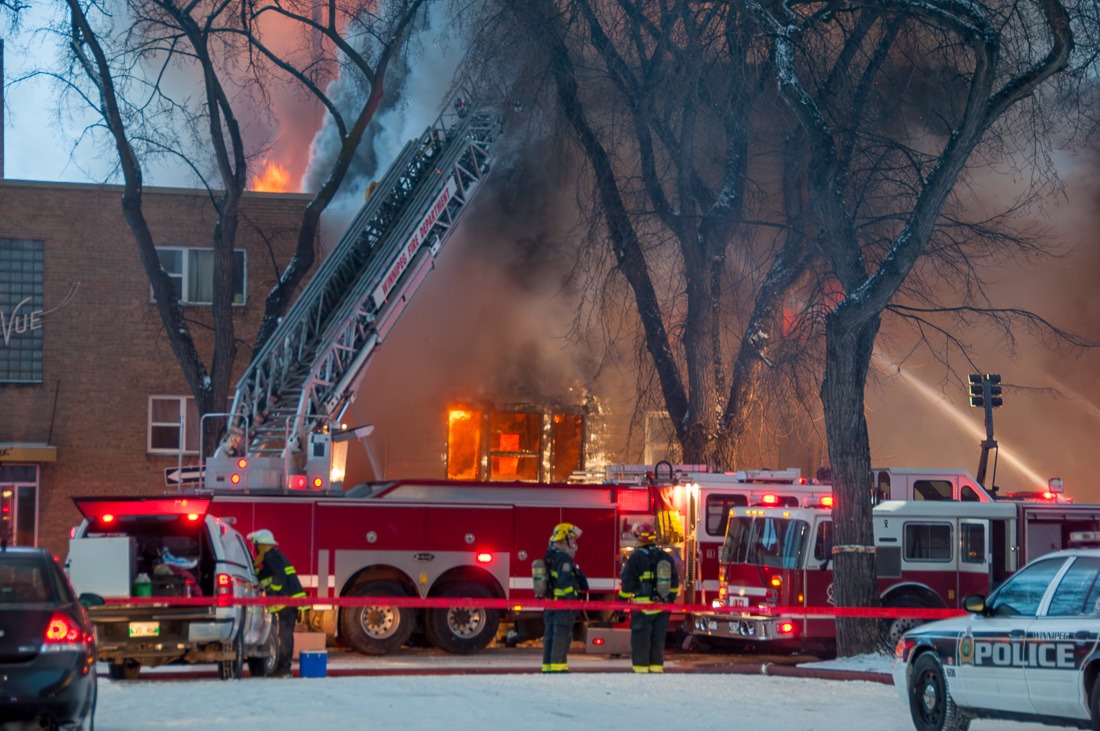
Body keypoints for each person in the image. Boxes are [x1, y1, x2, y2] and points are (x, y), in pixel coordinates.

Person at [617, 521, 680, 673]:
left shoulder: (636, 558)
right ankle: (656, 672)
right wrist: (668, 602)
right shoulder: (665, 556)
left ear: (638, 537)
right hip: (661, 609)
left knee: (641, 642)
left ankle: (641, 674)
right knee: (657, 642)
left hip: (641, 610)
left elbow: (627, 585)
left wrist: (620, 606)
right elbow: (674, 583)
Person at [247, 529, 307, 678]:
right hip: (288, 601)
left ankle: (284, 669)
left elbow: (278, 578)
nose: (255, 549)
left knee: (285, 635)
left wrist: (272, 595)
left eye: (256, 545)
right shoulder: (271, 556)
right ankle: (282, 668)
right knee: (284, 634)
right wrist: (255, 567)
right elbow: (263, 577)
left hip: (287, 601)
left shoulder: (271, 556)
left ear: (260, 545)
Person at [541, 522, 586, 673]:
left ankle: (547, 666)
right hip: (563, 605)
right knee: (562, 635)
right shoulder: (564, 558)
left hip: (551, 605)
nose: (574, 542)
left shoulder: (550, 555)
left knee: (550, 636)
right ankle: (558, 668)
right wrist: (573, 600)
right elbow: (565, 581)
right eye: (572, 539)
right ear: (563, 540)